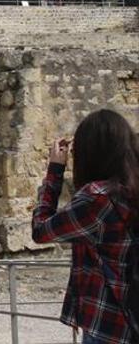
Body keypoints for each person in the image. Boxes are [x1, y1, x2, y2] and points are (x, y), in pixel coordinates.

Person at [32, 109, 138, 344]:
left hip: (110, 324)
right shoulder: (131, 190)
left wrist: (55, 171)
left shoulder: (97, 198)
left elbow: (40, 231)